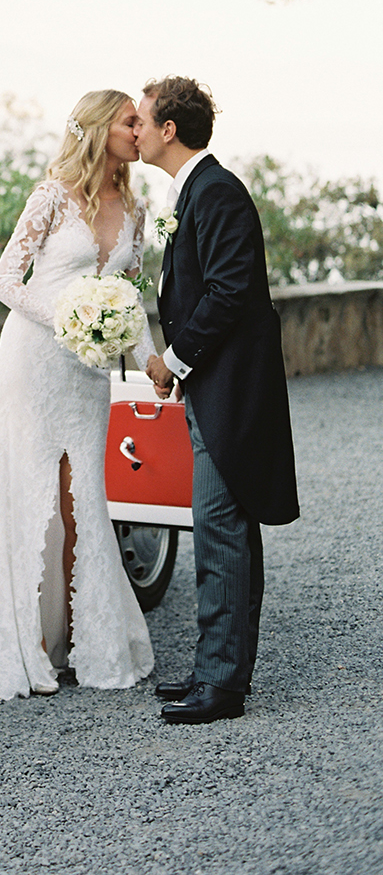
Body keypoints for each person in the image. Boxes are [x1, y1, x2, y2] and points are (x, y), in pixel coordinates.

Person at [0, 89, 155, 702]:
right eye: (128, 121)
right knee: (32, 492)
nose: (138, 130)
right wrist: (71, 318)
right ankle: (24, 645)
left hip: (88, 372)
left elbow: (130, 301)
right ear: (99, 130)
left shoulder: (136, 211)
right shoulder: (52, 196)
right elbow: (5, 280)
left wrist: (151, 363)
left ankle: (73, 640)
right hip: (36, 357)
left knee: (80, 497)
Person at [135, 76, 299, 724]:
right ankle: (218, 673)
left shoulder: (216, 192)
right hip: (212, 386)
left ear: (169, 129)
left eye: (142, 121)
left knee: (220, 533)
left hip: (230, 390)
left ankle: (221, 687)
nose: (136, 132)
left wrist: (172, 360)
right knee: (222, 532)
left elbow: (229, 293)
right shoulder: (197, 192)